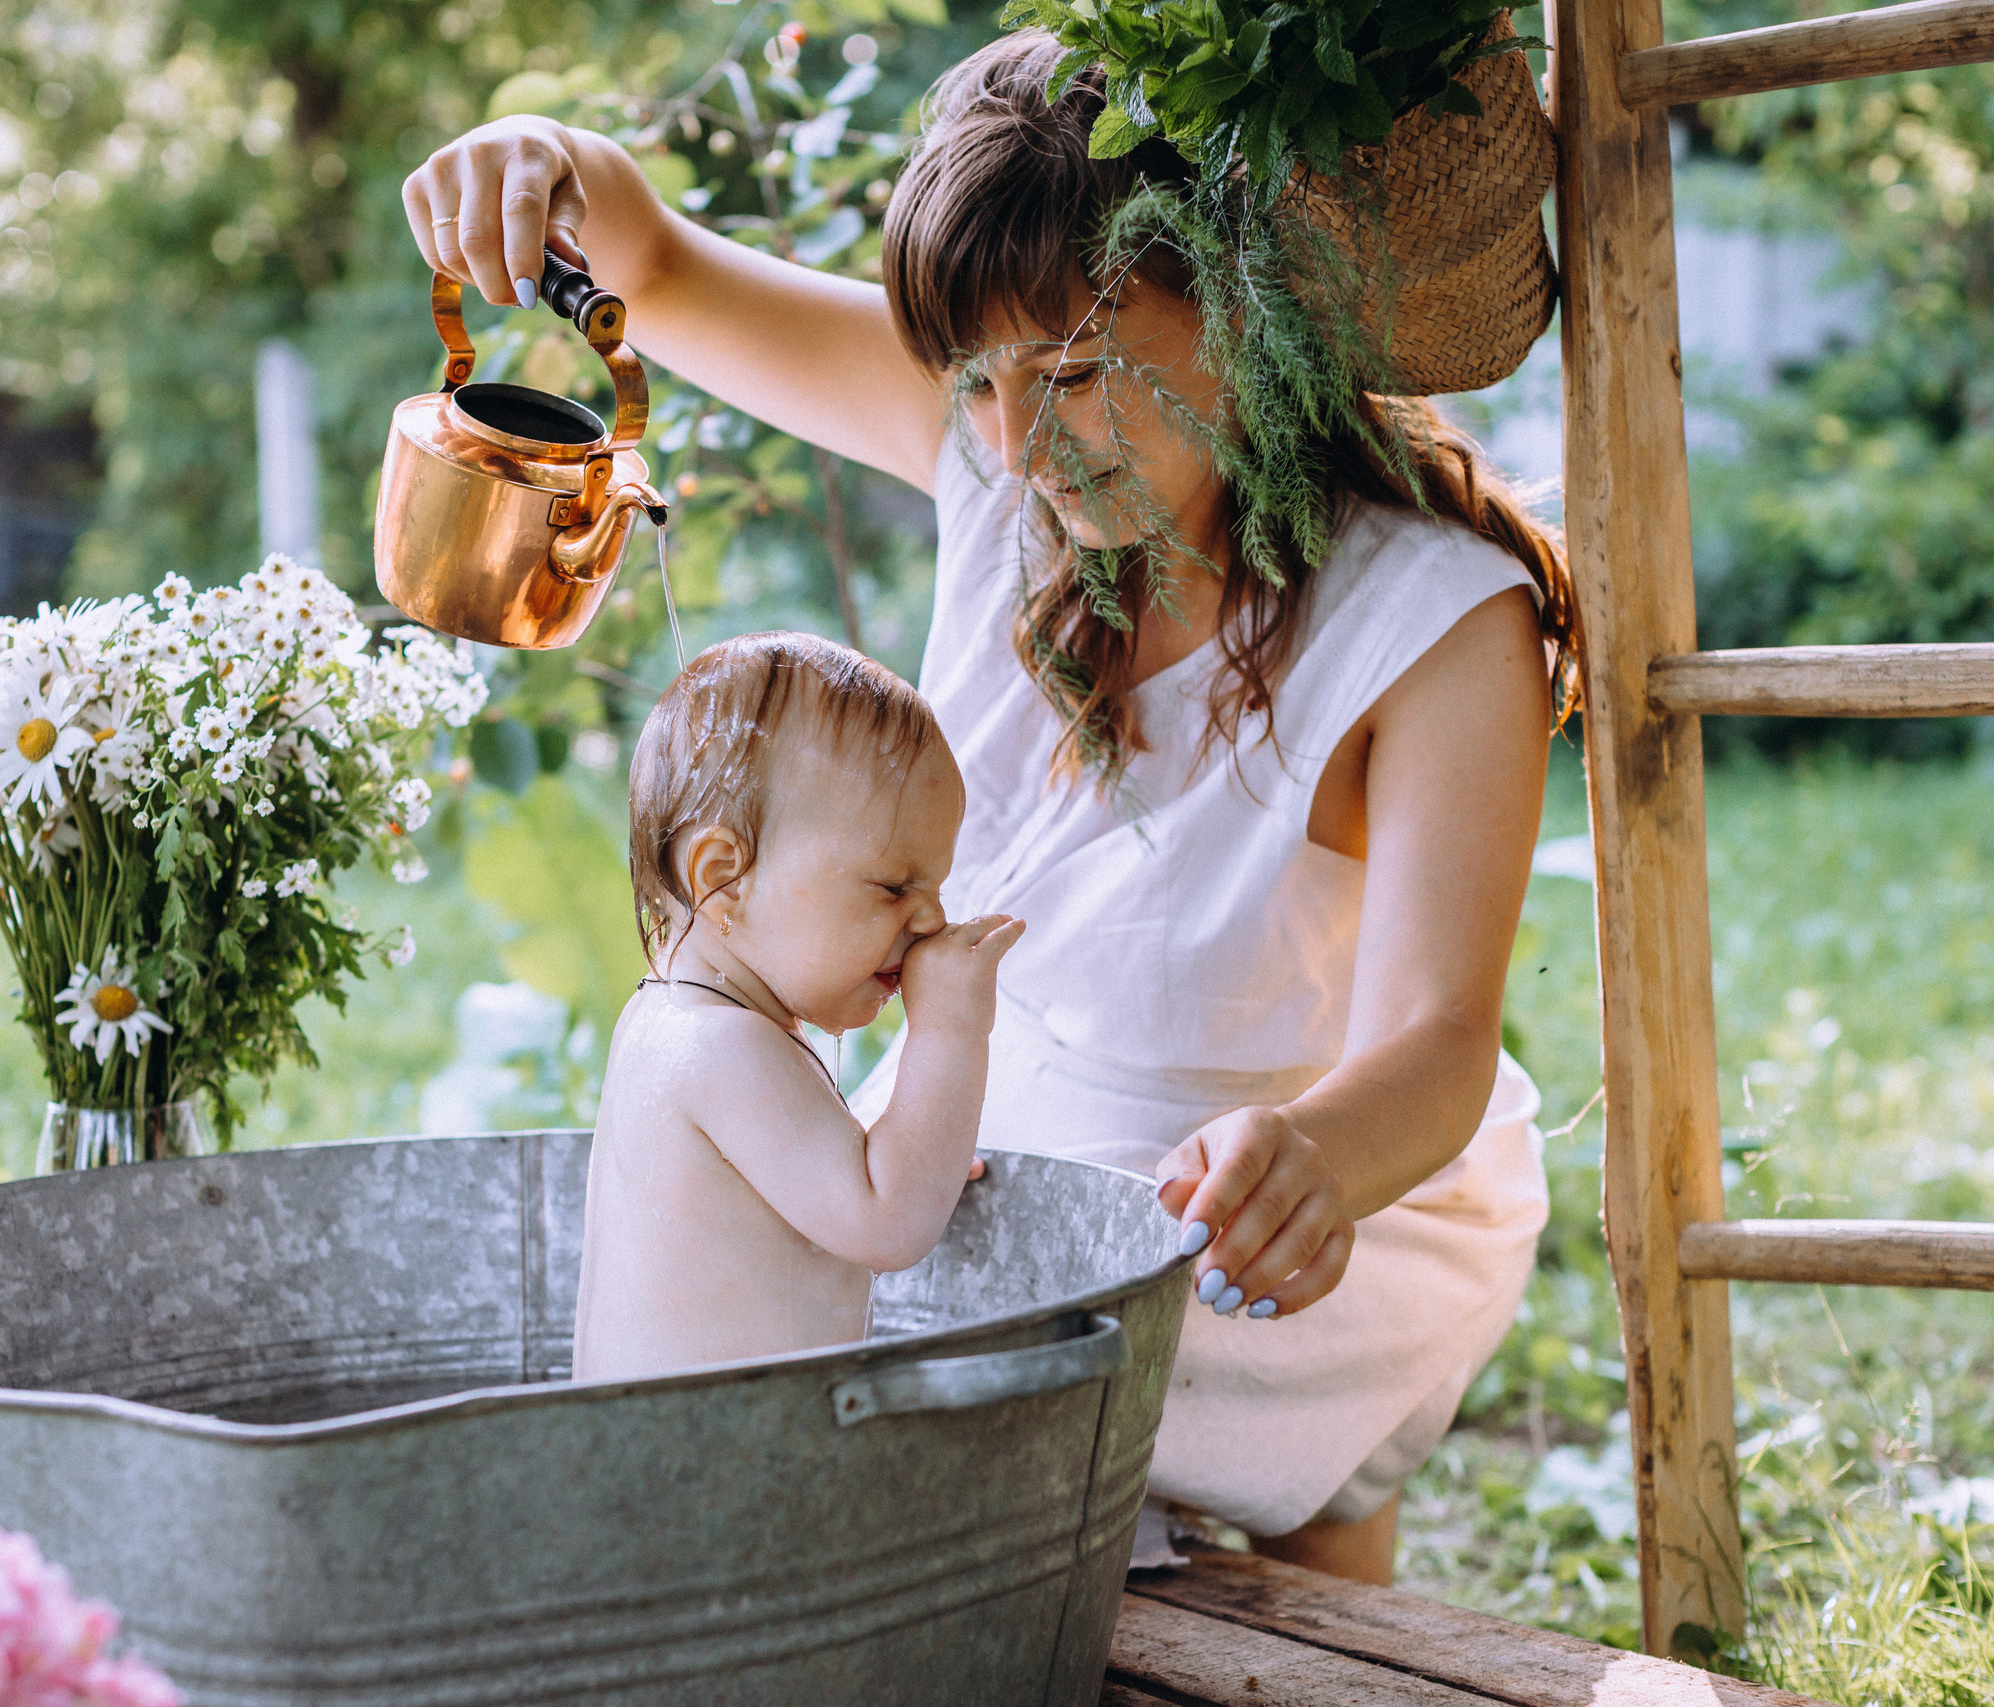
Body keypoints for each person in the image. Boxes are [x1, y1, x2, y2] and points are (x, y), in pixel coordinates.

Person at [411, 31, 1574, 1583]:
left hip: (1292, 1203)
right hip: (985, 1149)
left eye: (1078, 372)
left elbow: (1437, 1042)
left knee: (871, 1377)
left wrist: (1310, 1156)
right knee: (754, 1272)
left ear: (1242, 314)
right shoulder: (997, 456)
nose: (1018, 442)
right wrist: (534, 155)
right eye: (972, 381)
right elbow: (660, 270)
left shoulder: (1433, 620)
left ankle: (1278, 1514)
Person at [574, 631, 1025, 1382]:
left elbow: (827, 1184)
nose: (931, 922)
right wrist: (951, 1028)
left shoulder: (674, 1024)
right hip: (725, 1483)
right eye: (892, 887)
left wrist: (924, 1150)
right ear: (724, 878)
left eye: (935, 887)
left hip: (674, 1467)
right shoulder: (721, 1049)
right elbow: (889, 1221)